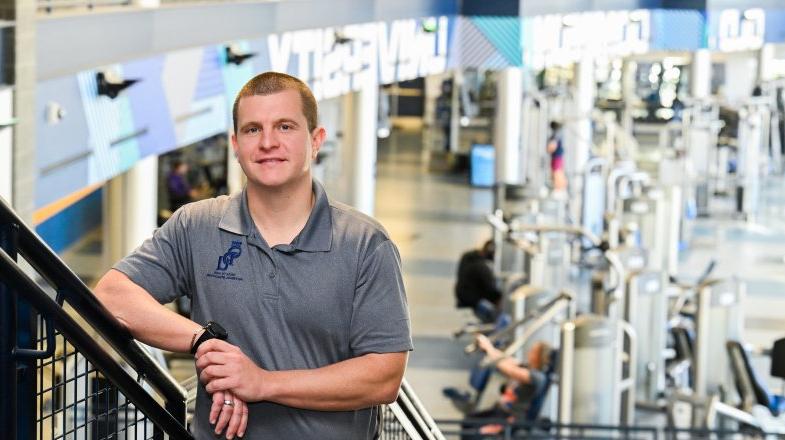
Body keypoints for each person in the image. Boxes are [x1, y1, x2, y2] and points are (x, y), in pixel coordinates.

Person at [93, 72, 412, 440]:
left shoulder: (365, 244)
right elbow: (112, 296)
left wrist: (261, 383)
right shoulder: (197, 226)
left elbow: (384, 376)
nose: (268, 142)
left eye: (285, 126)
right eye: (252, 129)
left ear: (316, 140)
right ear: (236, 144)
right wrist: (205, 343)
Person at [466, 336, 553, 436]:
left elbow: (509, 369)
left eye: (533, 351)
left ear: (539, 357)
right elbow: (505, 359)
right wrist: (489, 348)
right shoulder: (527, 367)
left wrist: (488, 347)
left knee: (473, 432)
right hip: (503, 412)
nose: (529, 353)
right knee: (469, 421)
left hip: (513, 420)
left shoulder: (538, 377)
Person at [454, 239, 502, 322]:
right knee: (497, 317)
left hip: (462, 296)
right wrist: (498, 297)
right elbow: (490, 288)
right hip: (474, 301)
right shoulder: (481, 267)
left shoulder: (467, 257)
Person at [547, 121, 566, 192]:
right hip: (558, 157)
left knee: (557, 173)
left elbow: (551, 147)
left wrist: (548, 149)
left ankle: (558, 188)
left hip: (556, 157)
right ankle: (559, 187)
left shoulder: (555, 135)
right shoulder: (559, 135)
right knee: (558, 172)